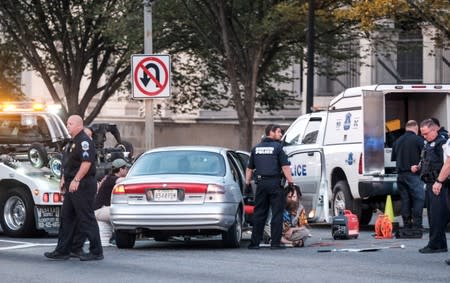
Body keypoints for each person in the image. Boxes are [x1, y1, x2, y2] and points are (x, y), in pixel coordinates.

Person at [44, 115, 103, 261]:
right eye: (67, 123)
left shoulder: (84, 142)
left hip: (82, 184)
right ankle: (63, 250)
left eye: (70, 123)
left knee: (86, 217)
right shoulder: (72, 142)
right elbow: (68, 163)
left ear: (78, 125)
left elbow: (86, 163)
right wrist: (64, 179)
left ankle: (96, 251)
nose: (67, 125)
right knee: (67, 217)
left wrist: (76, 179)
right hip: (71, 184)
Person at [246, 124, 295, 250]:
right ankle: (275, 243)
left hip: (261, 184)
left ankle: (254, 243)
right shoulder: (278, 148)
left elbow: (249, 168)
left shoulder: (255, 148)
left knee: (259, 213)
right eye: (279, 132)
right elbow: (285, 167)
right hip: (274, 184)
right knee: (277, 214)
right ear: (271, 132)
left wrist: (247, 183)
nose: (280, 135)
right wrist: (291, 183)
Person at [411, 119, 448, 254]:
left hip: (439, 184)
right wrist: (419, 167)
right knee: (433, 216)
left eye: (426, 133)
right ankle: (440, 244)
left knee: (437, 216)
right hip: (429, 183)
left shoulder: (441, 144)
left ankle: (435, 245)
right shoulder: (428, 144)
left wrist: (439, 181)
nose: (423, 136)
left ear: (434, 130)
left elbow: (446, 164)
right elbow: (427, 161)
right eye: (422, 134)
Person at [391, 120, 425, 229]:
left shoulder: (397, 141)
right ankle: (417, 224)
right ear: (416, 127)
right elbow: (425, 156)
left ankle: (406, 224)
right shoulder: (419, 140)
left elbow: (394, 158)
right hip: (413, 175)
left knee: (405, 200)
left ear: (406, 128)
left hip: (400, 176)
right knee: (419, 199)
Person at [94, 158, 131, 222]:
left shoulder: (109, 177)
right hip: (101, 210)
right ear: (121, 169)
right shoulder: (111, 178)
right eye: (126, 169)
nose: (127, 171)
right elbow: (123, 181)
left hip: (103, 209)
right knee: (127, 214)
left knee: (106, 232)